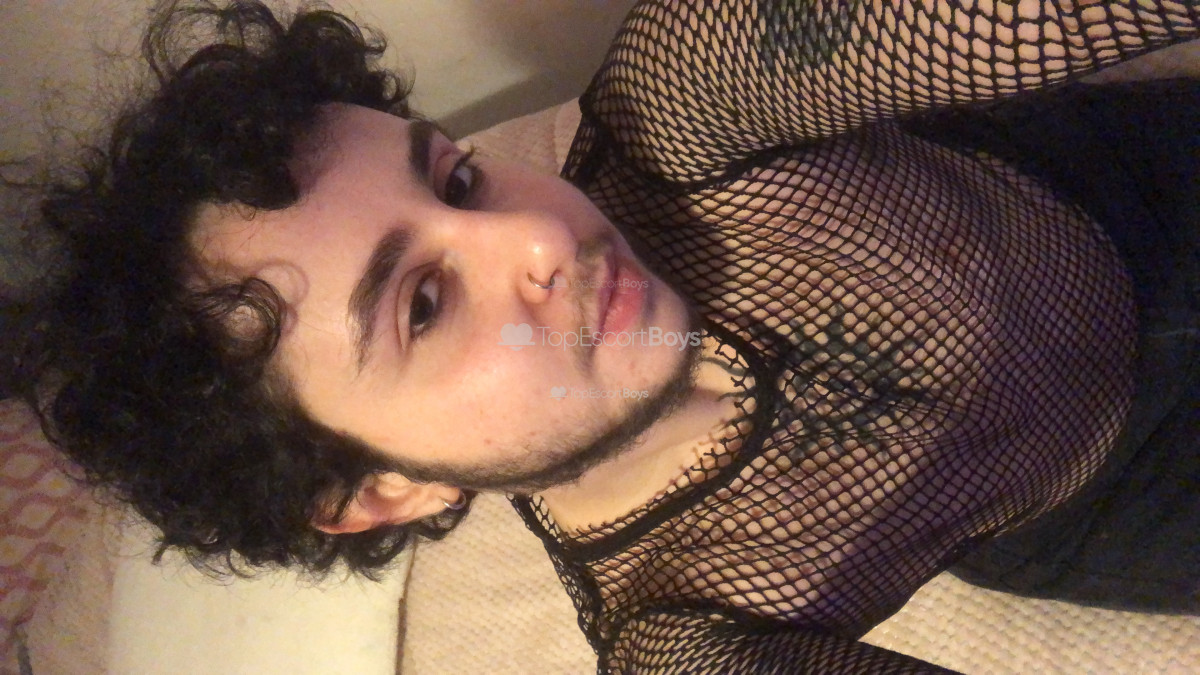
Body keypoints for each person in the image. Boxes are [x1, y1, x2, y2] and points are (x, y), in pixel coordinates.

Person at [5, 0, 1198, 671]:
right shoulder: (696, 634)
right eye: (424, 304)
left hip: (1135, 180)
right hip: (1130, 502)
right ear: (381, 490)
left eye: (459, 179)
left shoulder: (682, 100)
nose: (540, 236)